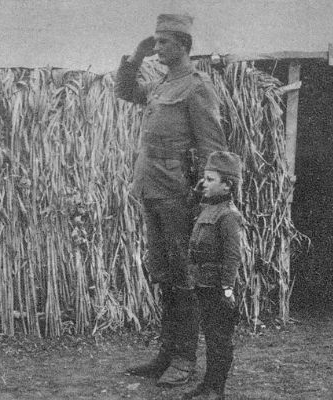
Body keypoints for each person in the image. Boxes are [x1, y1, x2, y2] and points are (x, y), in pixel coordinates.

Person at [115, 14, 228, 387]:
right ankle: (166, 353)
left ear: (183, 44)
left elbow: (214, 149)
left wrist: (208, 199)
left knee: (184, 277)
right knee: (163, 276)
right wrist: (135, 56)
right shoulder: (163, 84)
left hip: (179, 195)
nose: (157, 48)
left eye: (163, 42)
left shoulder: (196, 87)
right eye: (156, 41)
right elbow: (125, 91)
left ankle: (184, 358)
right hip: (151, 190)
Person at [183, 151, 244, 400]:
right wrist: (200, 191)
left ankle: (216, 390)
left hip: (217, 288)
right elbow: (190, 208)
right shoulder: (209, 208)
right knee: (210, 337)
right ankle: (208, 384)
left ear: (227, 184)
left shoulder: (228, 215)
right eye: (203, 179)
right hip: (203, 284)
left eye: (210, 179)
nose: (204, 183)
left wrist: (227, 289)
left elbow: (232, 256)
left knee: (219, 340)